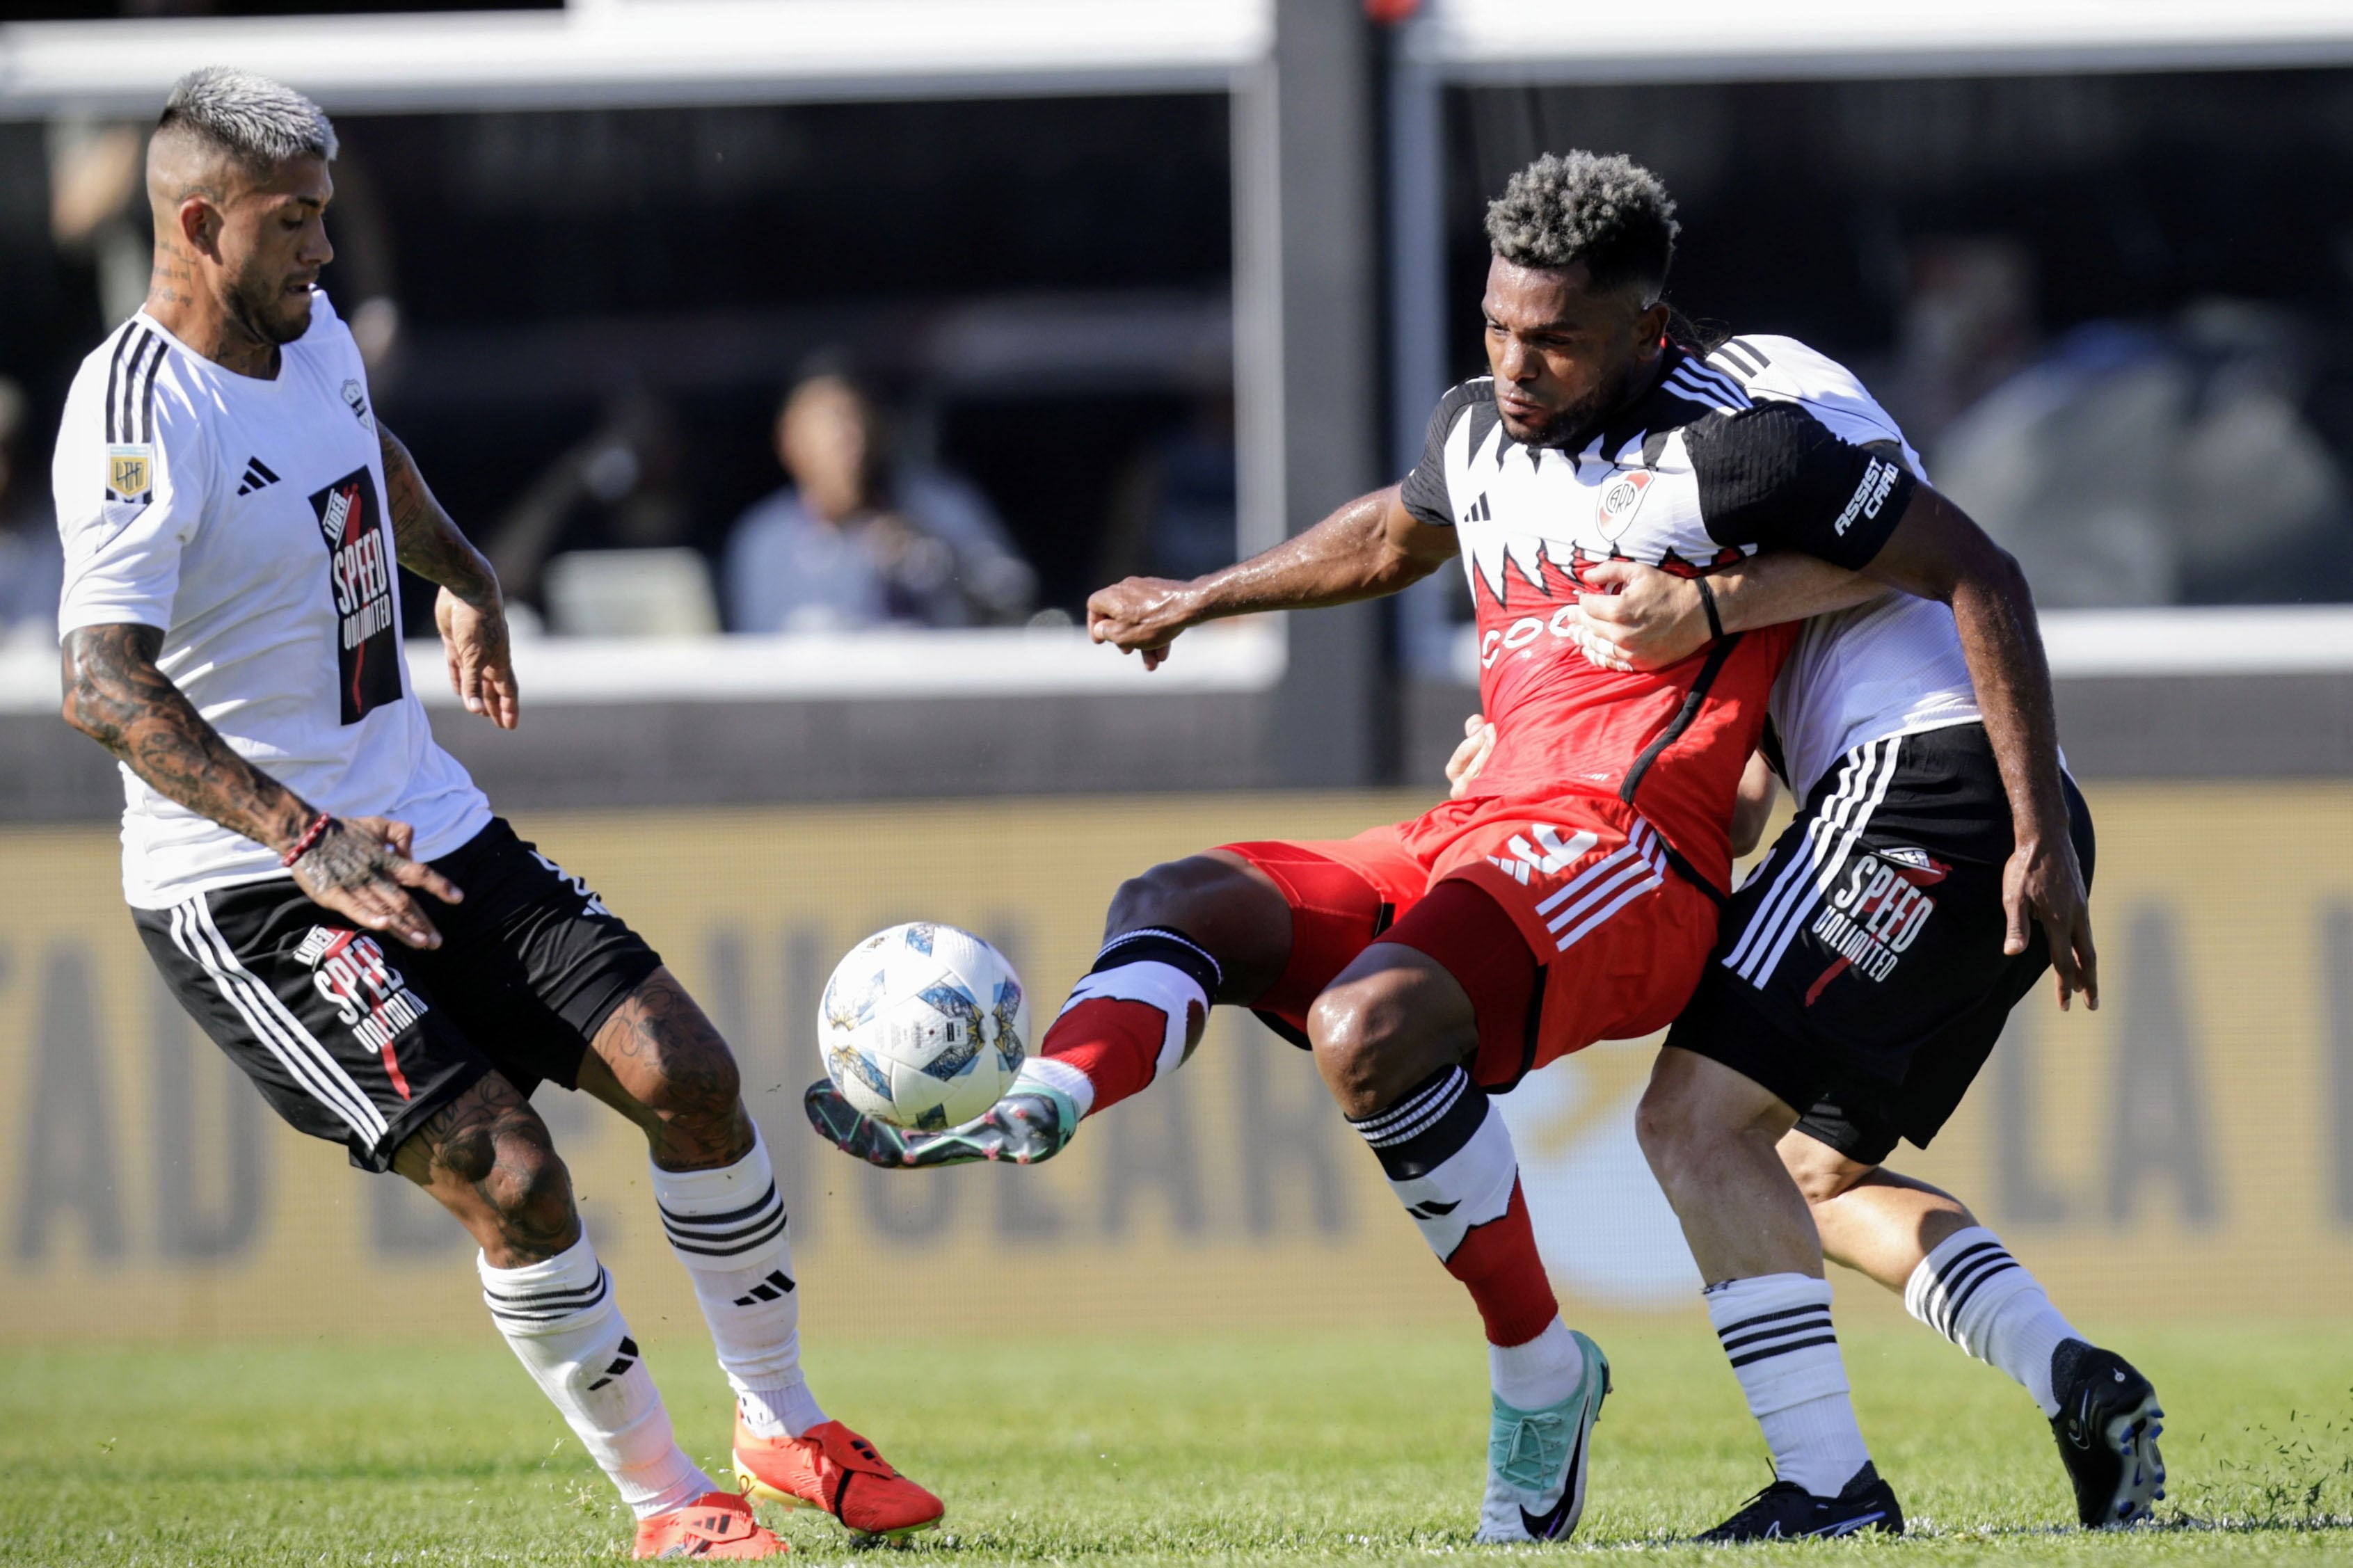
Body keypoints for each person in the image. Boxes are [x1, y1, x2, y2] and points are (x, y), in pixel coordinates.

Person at [806, 151, 2086, 1543]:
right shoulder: (1475, 427)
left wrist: (2024, 821)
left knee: (1376, 1027)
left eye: (1553, 340)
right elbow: (1392, 533)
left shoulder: (1741, 447)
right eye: (1495, 327)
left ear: (1647, 330)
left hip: (1622, 855)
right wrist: (1203, 593)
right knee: (1179, 896)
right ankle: (1043, 1103)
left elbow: (1950, 556)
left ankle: (1785, 1473)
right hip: (1478, 825)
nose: (1516, 366)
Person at [49, 68, 941, 1560]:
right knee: (511, 1173)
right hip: (249, 888)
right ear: (199, 224)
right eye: (294, 223)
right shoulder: (137, 410)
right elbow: (98, 681)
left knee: (690, 1073)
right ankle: (669, 1505)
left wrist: (461, 572)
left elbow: (363, 458)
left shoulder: (309, 329)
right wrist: (295, 834)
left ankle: (780, 1424)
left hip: (416, 815)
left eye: (326, 217)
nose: (325, 251)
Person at [1494, 392, 2162, 1535]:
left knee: (1688, 1123)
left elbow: (1958, 568)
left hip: (1920, 791)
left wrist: (1688, 614)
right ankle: (2078, 1381)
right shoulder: (1779, 522)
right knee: (1813, 1175)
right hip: (1996, 800)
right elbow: (1743, 799)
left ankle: (1826, 1487)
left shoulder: (1721, 485)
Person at [724, 370, 1034, 632]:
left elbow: (1013, 593)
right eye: (828, 426)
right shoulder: (764, 539)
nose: (850, 442)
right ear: (789, 442)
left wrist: (936, 558)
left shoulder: (936, 505)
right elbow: (756, 649)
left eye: (855, 421)